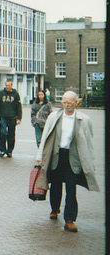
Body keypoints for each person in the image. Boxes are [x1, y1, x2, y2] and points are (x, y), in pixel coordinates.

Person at [35, 91, 99, 232]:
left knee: (71, 188)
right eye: (64, 102)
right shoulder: (54, 117)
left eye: (70, 102)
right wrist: (40, 156)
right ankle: (54, 209)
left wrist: (91, 163)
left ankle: (69, 220)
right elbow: (45, 136)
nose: (67, 104)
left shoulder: (84, 119)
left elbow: (89, 142)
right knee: (56, 185)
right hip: (57, 155)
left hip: (73, 157)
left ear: (76, 102)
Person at [0, 79, 22, 157]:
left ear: (11, 85)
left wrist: (19, 118)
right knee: (3, 133)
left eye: (9, 85)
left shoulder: (15, 94)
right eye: (6, 85)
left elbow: (19, 106)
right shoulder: (1, 93)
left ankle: (9, 151)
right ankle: (2, 150)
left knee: (11, 135)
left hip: (12, 117)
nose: (7, 87)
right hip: (3, 116)